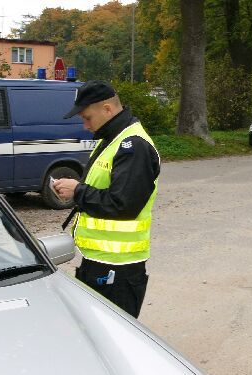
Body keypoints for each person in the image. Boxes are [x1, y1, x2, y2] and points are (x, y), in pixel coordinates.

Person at [53, 80, 160, 318]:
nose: (85, 125)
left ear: (108, 109)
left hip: (119, 269)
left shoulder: (133, 146)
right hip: (100, 261)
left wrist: (78, 191)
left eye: (87, 117)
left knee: (115, 340)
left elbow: (123, 205)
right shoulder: (111, 140)